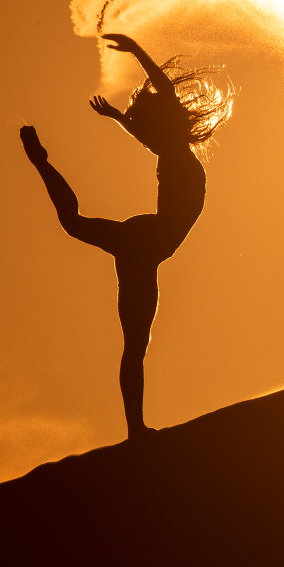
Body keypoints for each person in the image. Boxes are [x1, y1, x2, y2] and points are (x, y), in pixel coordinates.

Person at [20, 33, 233, 441]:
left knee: (74, 225)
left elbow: (152, 123)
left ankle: (40, 164)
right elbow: (162, 100)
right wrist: (134, 55)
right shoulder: (172, 152)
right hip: (148, 241)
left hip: (145, 248)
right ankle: (135, 430)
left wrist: (120, 117)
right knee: (134, 343)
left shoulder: (170, 149)